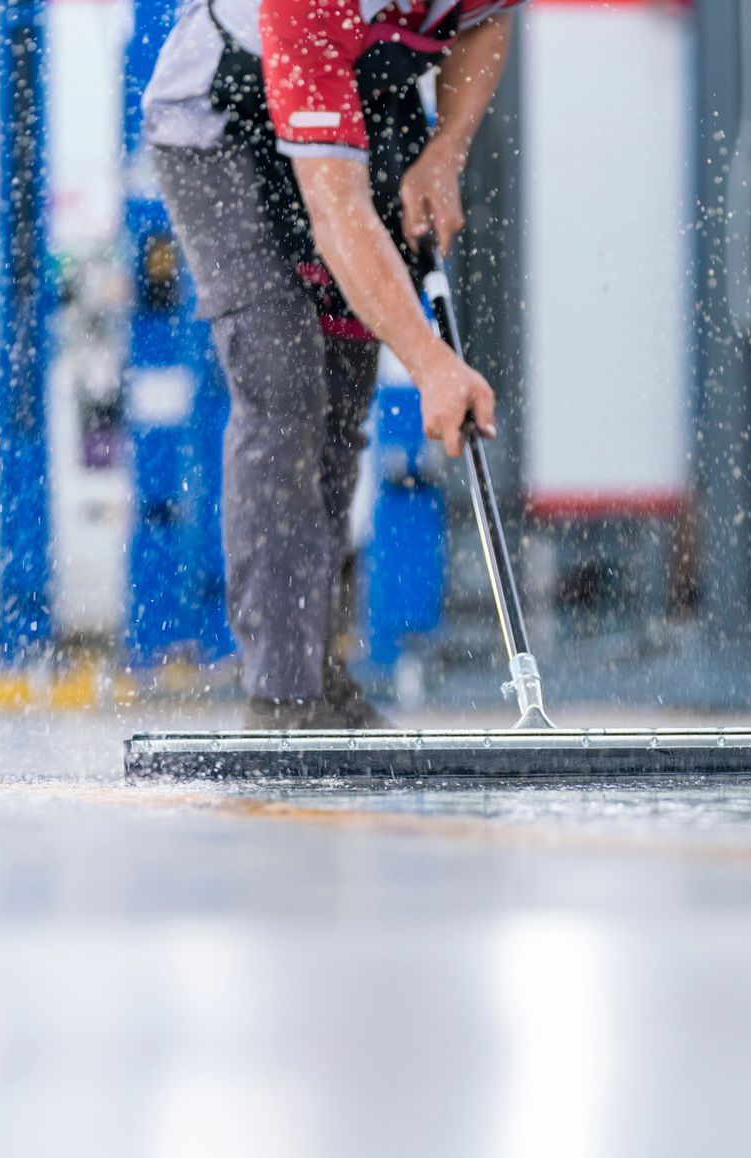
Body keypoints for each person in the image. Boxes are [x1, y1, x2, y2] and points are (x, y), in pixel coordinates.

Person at [142, 0, 519, 729]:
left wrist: (448, 146)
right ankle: (280, 695)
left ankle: (314, 666)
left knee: (342, 407)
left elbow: (486, 19)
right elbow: (339, 214)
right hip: (220, 133)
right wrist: (433, 364)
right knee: (284, 394)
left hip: (361, 115)